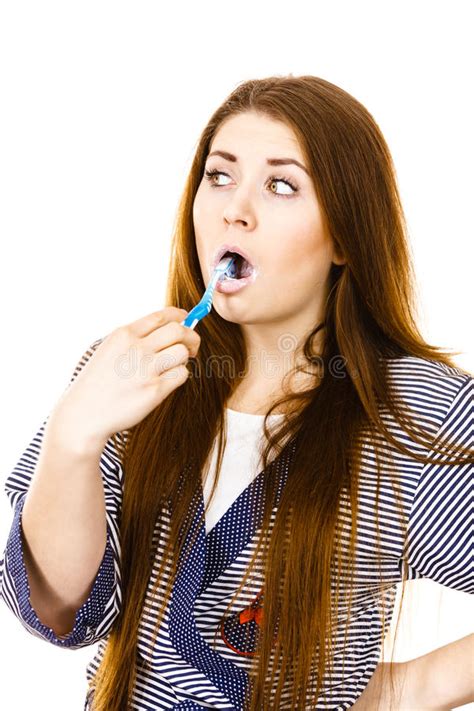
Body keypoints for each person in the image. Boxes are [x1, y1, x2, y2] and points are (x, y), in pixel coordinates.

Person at [1, 75, 473, 711]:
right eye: (219, 176)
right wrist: (74, 437)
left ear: (344, 236)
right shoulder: (129, 376)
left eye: (281, 185)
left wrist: (404, 691)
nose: (234, 209)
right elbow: (59, 615)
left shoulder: (409, 411)